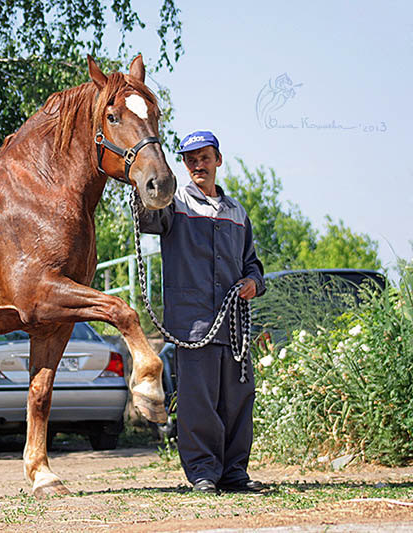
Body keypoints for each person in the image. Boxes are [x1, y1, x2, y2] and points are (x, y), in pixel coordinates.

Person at [138, 130, 266, 493]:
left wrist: (254, 282)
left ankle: (234, 473)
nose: (198, 165)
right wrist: (143, 181)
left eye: (204, 158)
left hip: (234, 327)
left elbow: (252, 264)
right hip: (192, 326)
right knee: (199, 404)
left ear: (218, 161)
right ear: (184, 165)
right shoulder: (173, 204)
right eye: (191, 159)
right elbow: (148, 218)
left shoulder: (238, 213)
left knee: (239, 402)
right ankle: (203, 474)